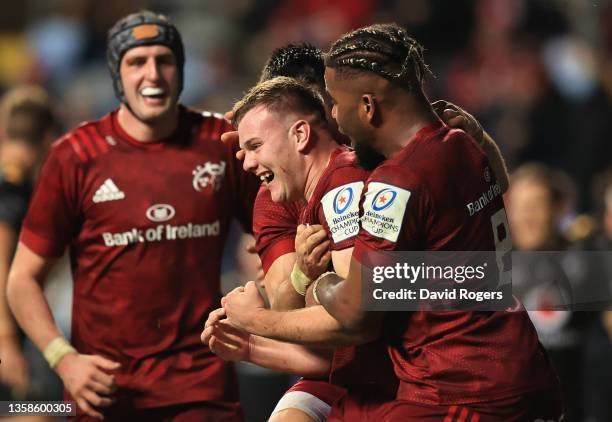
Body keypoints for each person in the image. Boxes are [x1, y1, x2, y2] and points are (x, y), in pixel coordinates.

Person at [220, 23, 562, 421]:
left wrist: (267, 313)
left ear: (367, 106)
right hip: (513, 365)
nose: (332, 117)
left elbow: (358, 315)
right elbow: (497, 187)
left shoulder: (394, 183)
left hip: (459, 391)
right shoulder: (463, 142)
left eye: (335, 104)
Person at [6, 11, 258, 421]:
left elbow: (270, 236)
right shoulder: (76, 156)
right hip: (105, 392)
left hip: (201, 387)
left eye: (165, 60)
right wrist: (63, 359)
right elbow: (21, 280)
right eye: (136, 62)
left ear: (180, 70)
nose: (152, 74)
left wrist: (277, 283)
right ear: (116, 73)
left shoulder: (221, 142)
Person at [0, 85, 59, 406]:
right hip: (12, 330)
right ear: (49, 136)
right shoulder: (12, 185)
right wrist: (6, 342)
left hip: (21, 324)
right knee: (32, 411)